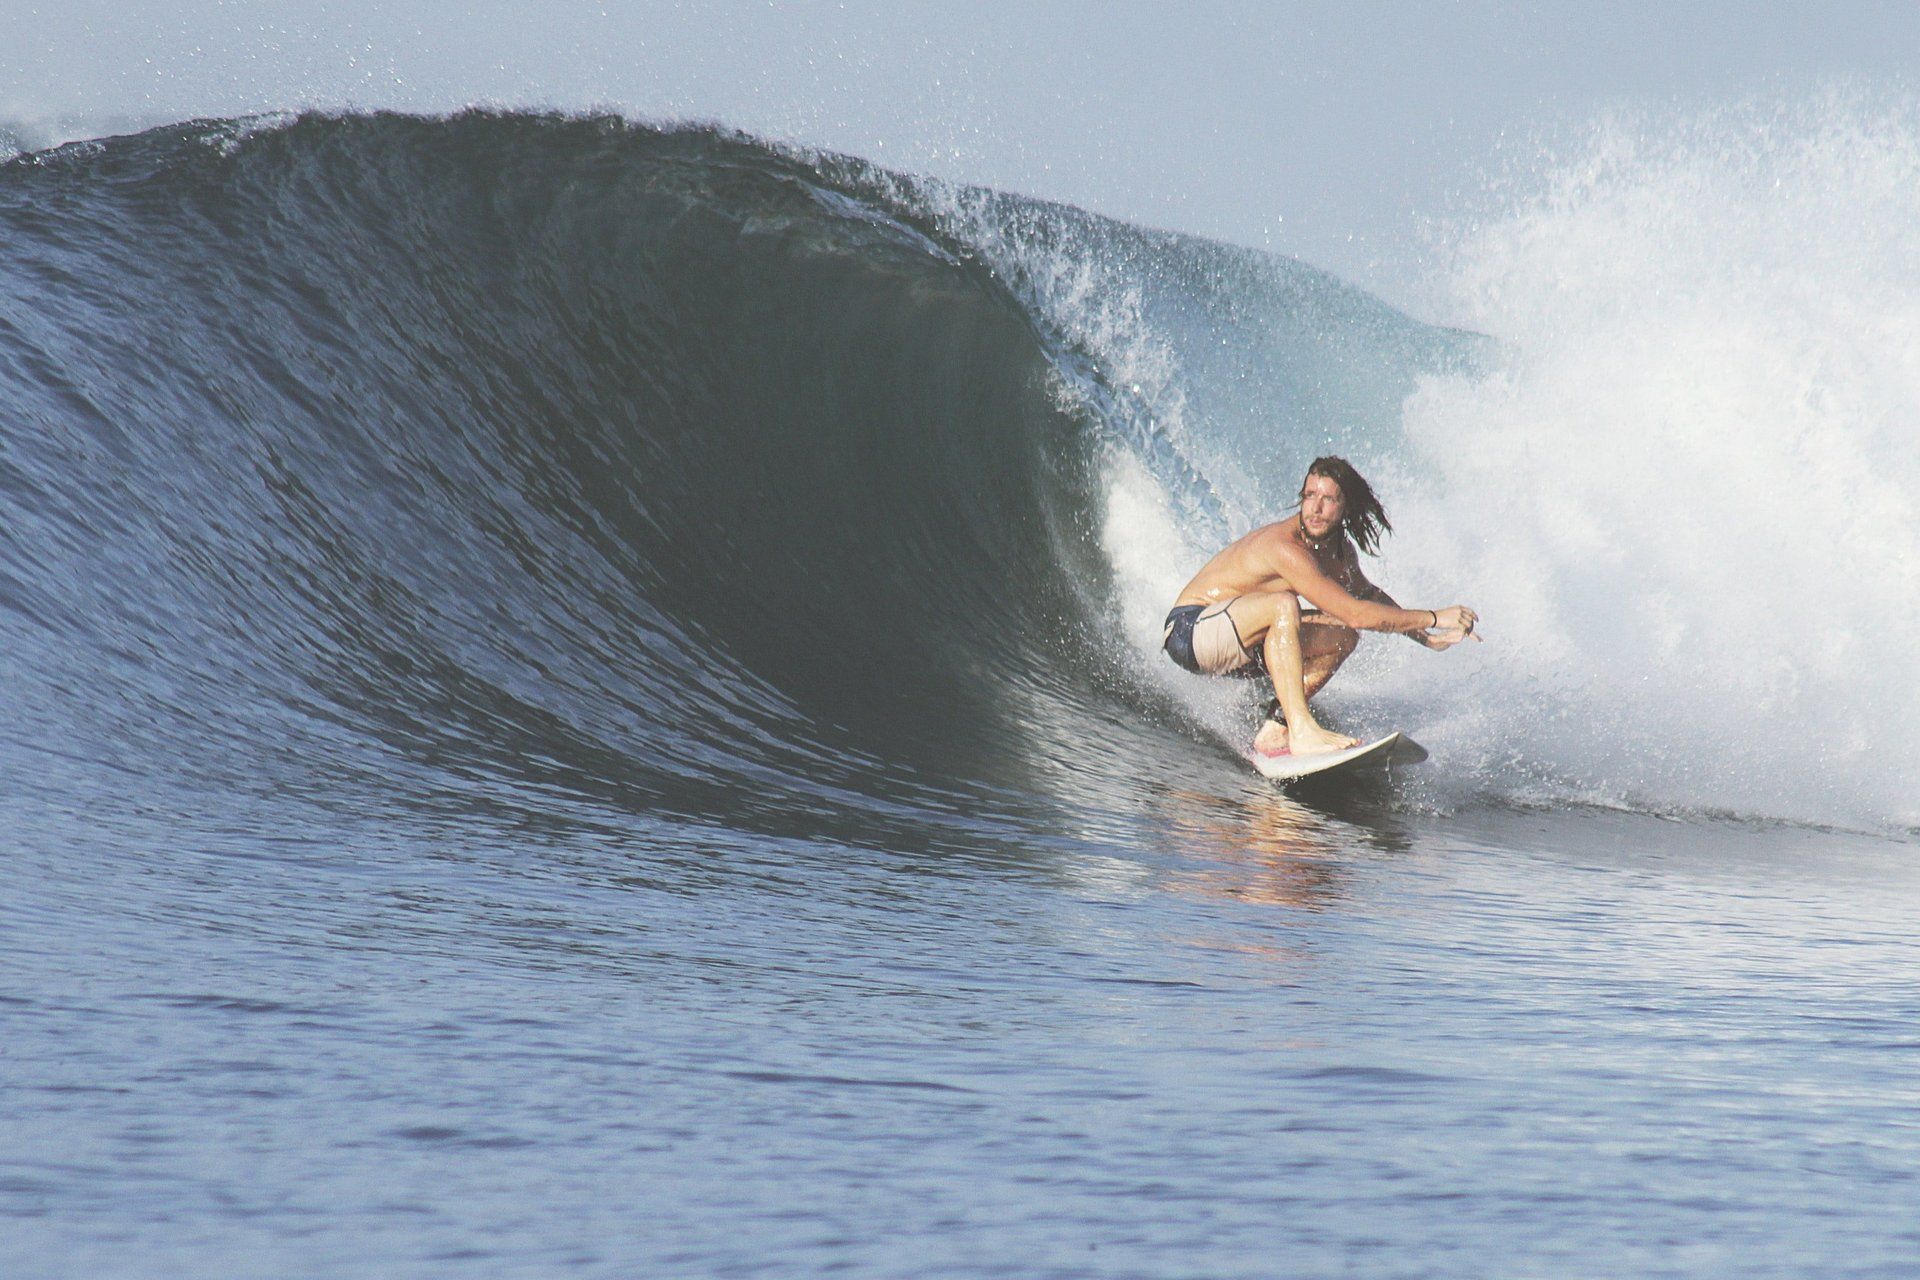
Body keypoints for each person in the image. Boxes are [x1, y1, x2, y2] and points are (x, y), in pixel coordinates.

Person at [1162, 456, 1478, 757]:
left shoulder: (1337, 552)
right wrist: (1436, 616)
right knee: (1284, 606)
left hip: (1240, 646)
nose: (1315, 508)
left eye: (1328, 499)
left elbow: (1367, 598)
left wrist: (1428, 636)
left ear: (1346, 507)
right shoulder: (1285, 547)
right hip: (1190, 632)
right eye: (1309, 495)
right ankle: (1302, 731)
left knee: (1342, 636)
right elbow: (1356, 614)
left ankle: (1278, 726)